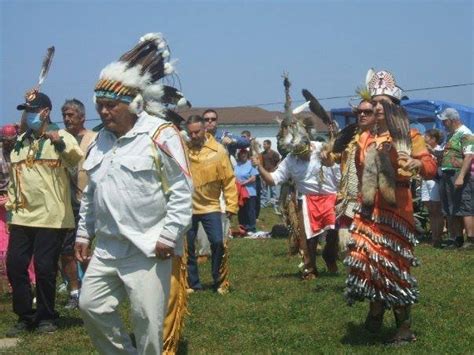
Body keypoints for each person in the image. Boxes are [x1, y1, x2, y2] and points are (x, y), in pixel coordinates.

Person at [75, 33, 193, 354]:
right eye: (99, 105)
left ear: (134, 103)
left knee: (147, 320)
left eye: (110, 105)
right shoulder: (100, 140)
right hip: (108, 247)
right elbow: (91, 193)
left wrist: (169, 236)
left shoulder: (160, 134)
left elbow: (182, 191)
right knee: (91, 305)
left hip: (149, 247)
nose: (103, 112)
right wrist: (83, 234)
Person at [344, 69, 437, 344]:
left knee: (393, 267)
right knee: (367, 263)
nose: (377, 108)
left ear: (394, 108)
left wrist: (417, 163)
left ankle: (404, 328)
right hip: (367, 209)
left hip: (397, 211)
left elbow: (431, 167)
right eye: (375, 104)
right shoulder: (364, 138)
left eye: (383, 104)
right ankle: (375, 313)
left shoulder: (410, 136)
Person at [6, 90, 83, 336]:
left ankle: (46, 317)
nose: (28, 116)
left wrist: (57, 142)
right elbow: (15, 179)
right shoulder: (20, 142)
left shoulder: (62, 137)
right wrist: (10, 206)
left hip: (52, 217)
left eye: (31, 111)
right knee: (16, 266)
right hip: (21, 216)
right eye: (25, 111)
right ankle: (25, 315)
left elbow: (74, 159)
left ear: (45, 112)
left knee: (45, 267)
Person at [252, 135, 341, 279]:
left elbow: (342, 161)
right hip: (307, 198)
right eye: (298, 154)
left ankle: (329, 255)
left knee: (333, 233)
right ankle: (310, 268)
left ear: (310, 146)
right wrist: (259, 167)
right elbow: (273, 180)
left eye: (304, 153)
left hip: (331, 195)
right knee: (309, 237)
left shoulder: (322, 147)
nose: (302, 157)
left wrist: (330, 158)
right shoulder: (290, 160)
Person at [185, 115, 238, 294]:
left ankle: (219, 279)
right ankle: (192, 283)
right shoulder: (183, 151)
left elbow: (229, 180)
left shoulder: (218, 151)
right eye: (190, 132)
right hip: (187, 207)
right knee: (187, 245)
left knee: (217, 242)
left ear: (204, 130)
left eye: (197, 132)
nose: (193, 136)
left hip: (211, 206)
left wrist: (231, 205)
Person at [60, 98, 97, 309]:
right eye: (64, 115)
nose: (67, 118)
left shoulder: (93, 138)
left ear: (82, 117)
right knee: (66, 250)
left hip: (88, 201)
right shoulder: (60, 139)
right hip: (65, 202)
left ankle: (93, 288)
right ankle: (74, 290)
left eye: (71, 115)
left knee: (86, 248)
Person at [438, 108, 474, 249]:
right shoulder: (451, 135)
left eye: (445, 121)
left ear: (452, 120)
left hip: (458, 174)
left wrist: (461, 176)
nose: (443, 124)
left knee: (464, 206)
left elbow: (469, 156)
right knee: (452, 208)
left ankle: (470, 239)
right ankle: (457, 237)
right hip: (448, 173)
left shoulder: (466, 134)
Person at [421, 129, 445, 247]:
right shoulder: (423, 151)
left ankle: (438, 238)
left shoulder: (440, 150)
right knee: (430, 210)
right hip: (425, 180)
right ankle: (433, 236)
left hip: (436, 181)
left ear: (434, 139)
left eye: (427, 137)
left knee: (437, 210)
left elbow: (442, 163)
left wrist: (433, 152)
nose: (424, 138)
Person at [235, 149, 259, 235]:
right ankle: (242, 226)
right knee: (241, 210)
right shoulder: (237, 165)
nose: (243, 155)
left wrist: (244, 183)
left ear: (247, 154)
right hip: (240, 192)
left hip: (250, 191)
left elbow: (254, 178)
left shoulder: (251, 164)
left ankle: (251, 227)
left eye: (244, 153)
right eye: (241, 153)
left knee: (250, 210)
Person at [260, 140, 280, 211]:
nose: (263, 146)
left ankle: (273, 203)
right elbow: (260, 163)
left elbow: (279, 162)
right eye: (263, 144)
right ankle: (263, 203)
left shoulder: (274, 154)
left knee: (273, 190)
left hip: (272, 174)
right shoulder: (262, 154)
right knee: (263, 190)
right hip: (264, 174)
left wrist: (275, 169)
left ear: (269, 145)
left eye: (265, 144)